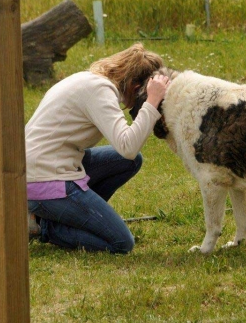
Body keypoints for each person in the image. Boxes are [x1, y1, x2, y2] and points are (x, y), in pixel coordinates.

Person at [25, 43, 169, 253]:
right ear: (136, 88)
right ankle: (45, 226)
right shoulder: (99, 91)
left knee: (130, 161)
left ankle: (69, 217)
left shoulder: (91, 81)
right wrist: (152, 102)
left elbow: (127, 155)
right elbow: (127, 145)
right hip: (45, 179)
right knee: (121, 243)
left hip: (41, 168)